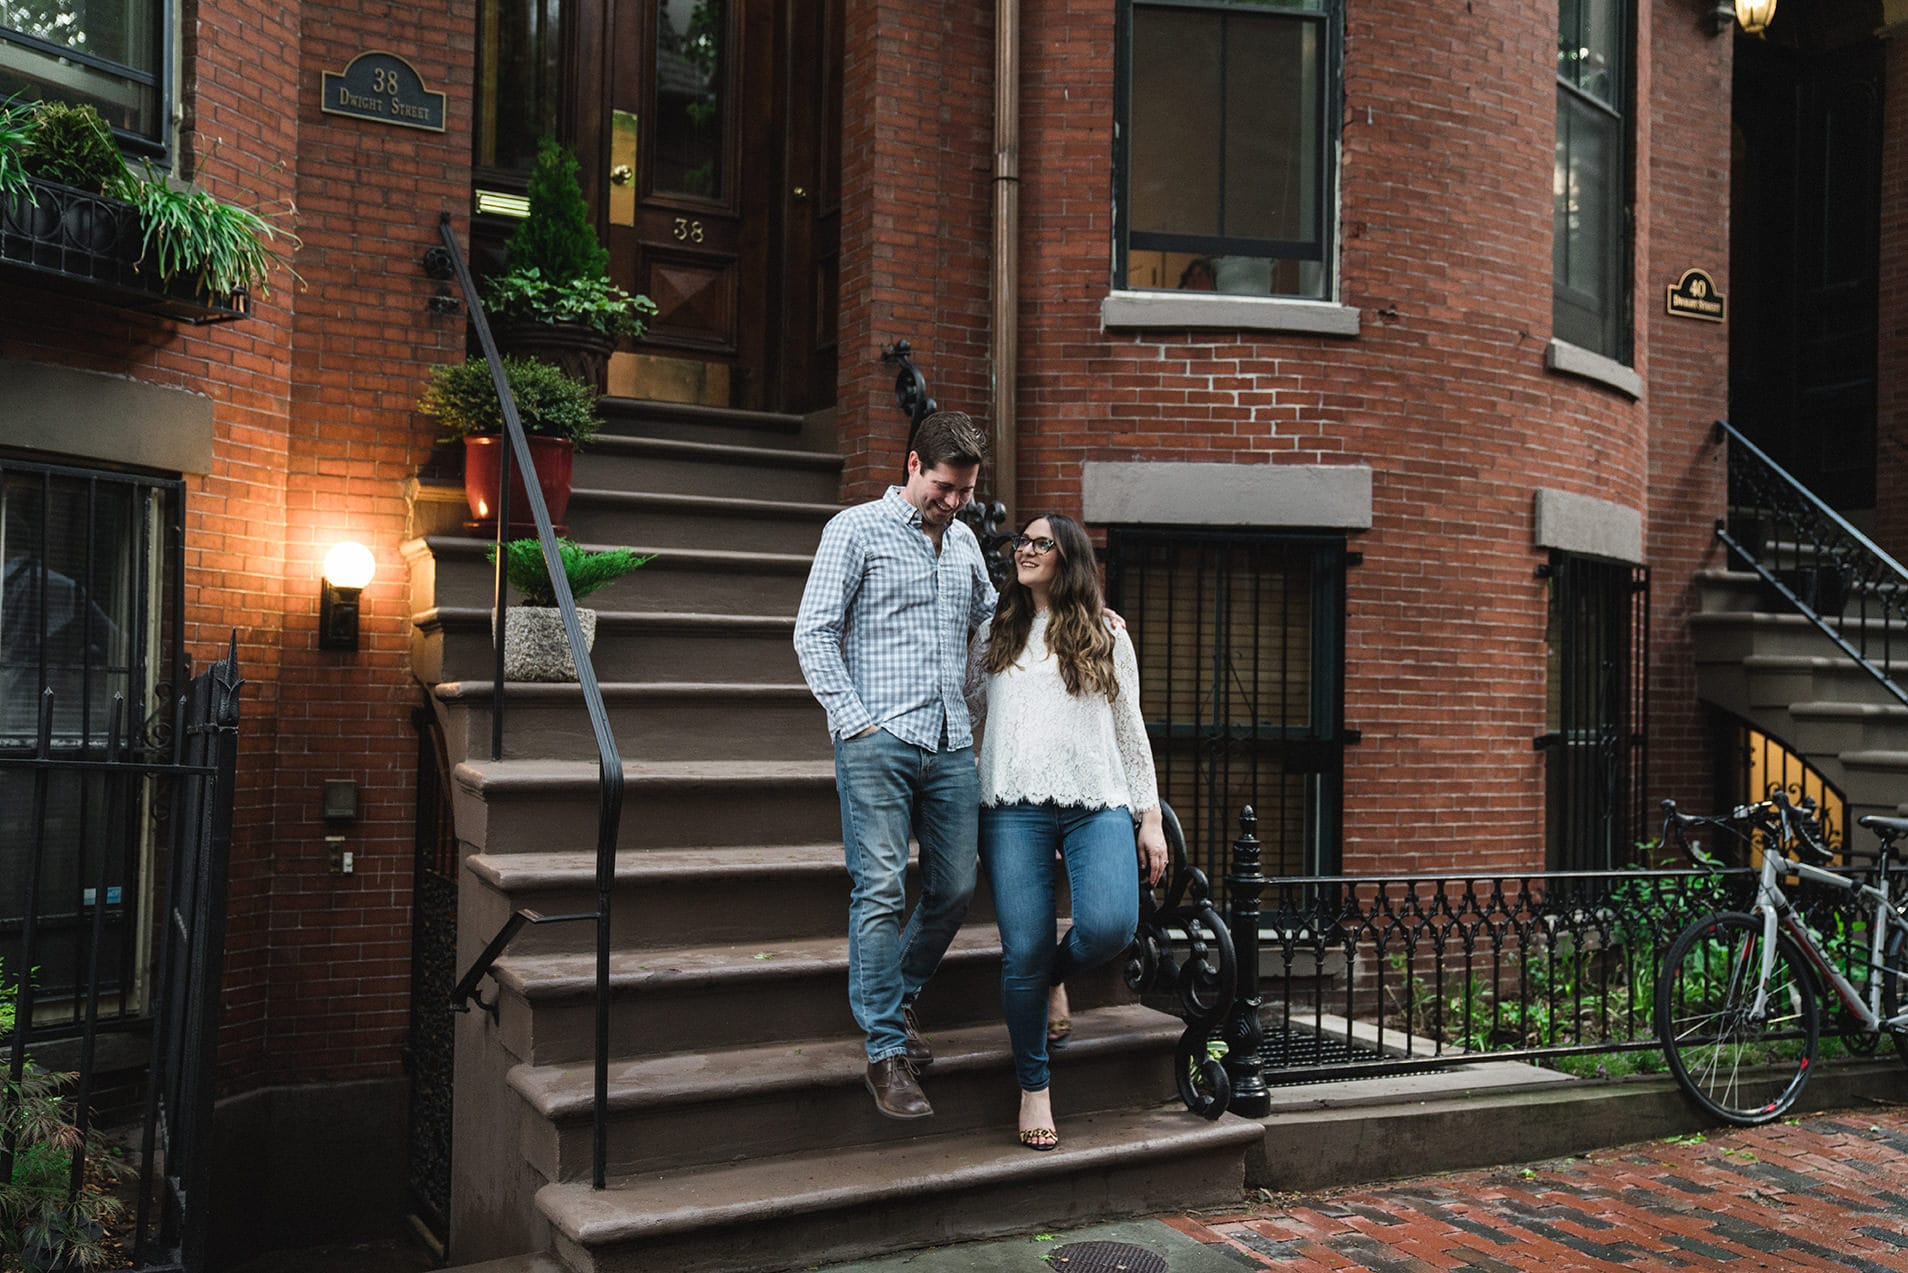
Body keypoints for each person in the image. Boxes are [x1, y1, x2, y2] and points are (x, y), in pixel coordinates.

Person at [793, 410, 997, 1121]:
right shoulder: (854, 530)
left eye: (965, 492)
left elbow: (995, 623)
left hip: (950, 743)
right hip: (878, 739)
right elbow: (813, 632)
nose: (954, 502)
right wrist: (856, 722)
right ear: (913, 465)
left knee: (954, 887)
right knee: (880, 888)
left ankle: (900, 994)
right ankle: (886, 1049)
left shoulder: (967, 541)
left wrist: (1088, 612)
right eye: (944, 486)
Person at [966, 512, 1167, 1150]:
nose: (1023, 550)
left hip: (1096, 801)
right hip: (1012, 804)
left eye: (1038, 543)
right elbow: (968, 710)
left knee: (1112, 925)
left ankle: (1057, 977)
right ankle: (1034, 1088)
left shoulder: (1108, 637)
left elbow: (1131, 731)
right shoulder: (992, 634)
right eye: (1020, 541)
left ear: (1068, 558)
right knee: (1021, 954)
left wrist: (1151, 815)